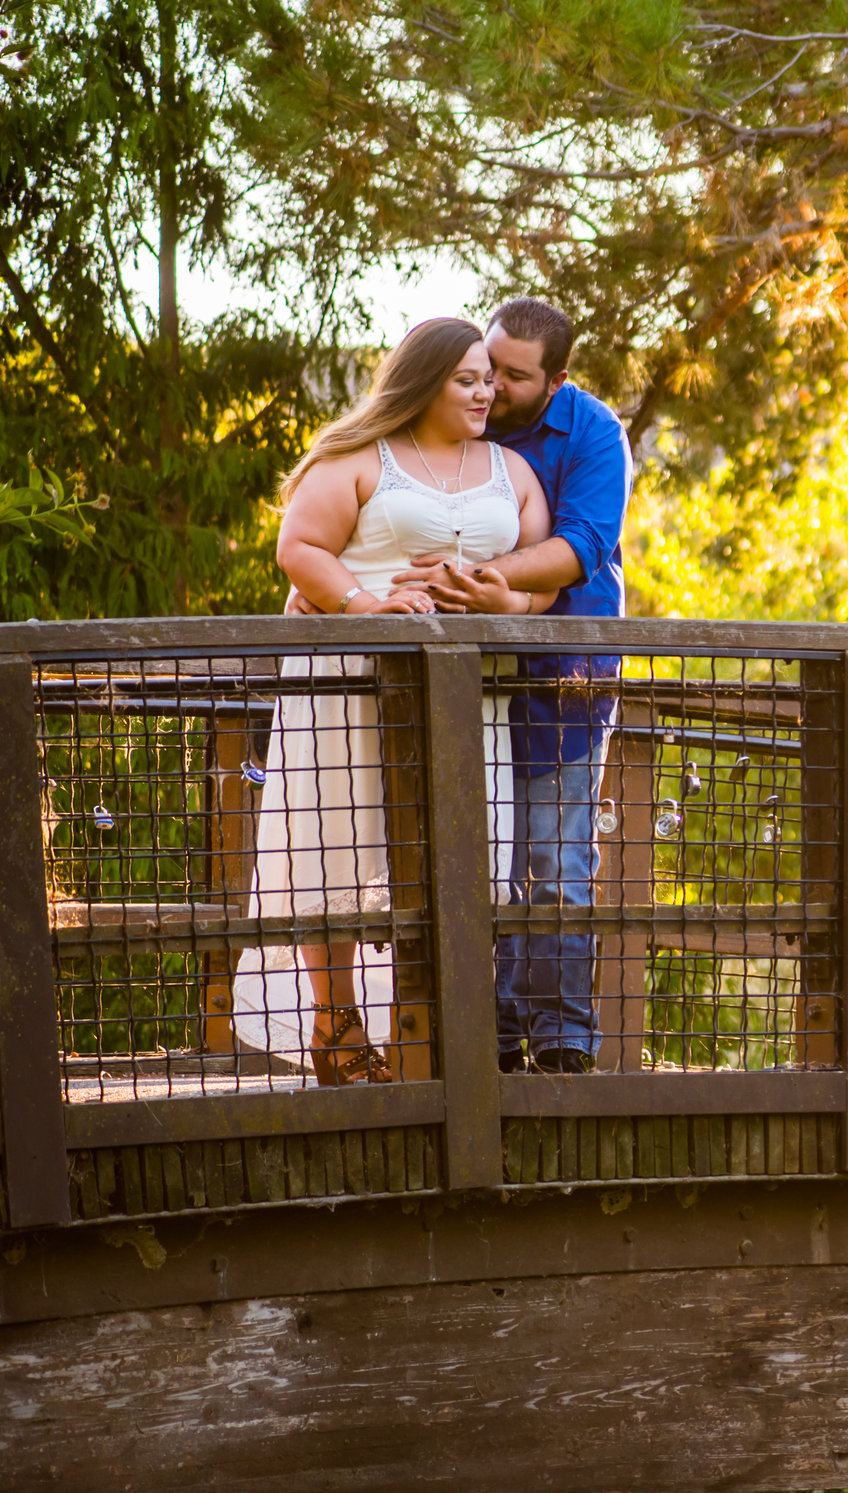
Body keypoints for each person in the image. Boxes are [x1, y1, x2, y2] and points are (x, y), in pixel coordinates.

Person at [241, 317, 554, 1085]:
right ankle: (337, 1028)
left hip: (463, 695)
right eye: (467, 379)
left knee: (461, 852)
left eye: (490, 379)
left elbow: (541, 582)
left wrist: (497, 607)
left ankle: (433, 1032)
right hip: (346, 680)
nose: (485, 392)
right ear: (423, 381)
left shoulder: (509, 471)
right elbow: (300, 548)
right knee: (333, 845)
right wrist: (360, 605)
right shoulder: (360, 456)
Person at [407, 298, 631, 1075]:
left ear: (558, 378)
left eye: (513, 375)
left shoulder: (595, 434)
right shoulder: (463, 411)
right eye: (488, 364)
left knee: (558, 859)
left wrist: (481, 580)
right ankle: (493, 1040)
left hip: (565, 680)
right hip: (468, 682)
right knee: (484, 859)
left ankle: (564, 1042)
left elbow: (580, 549)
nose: (493, 386)